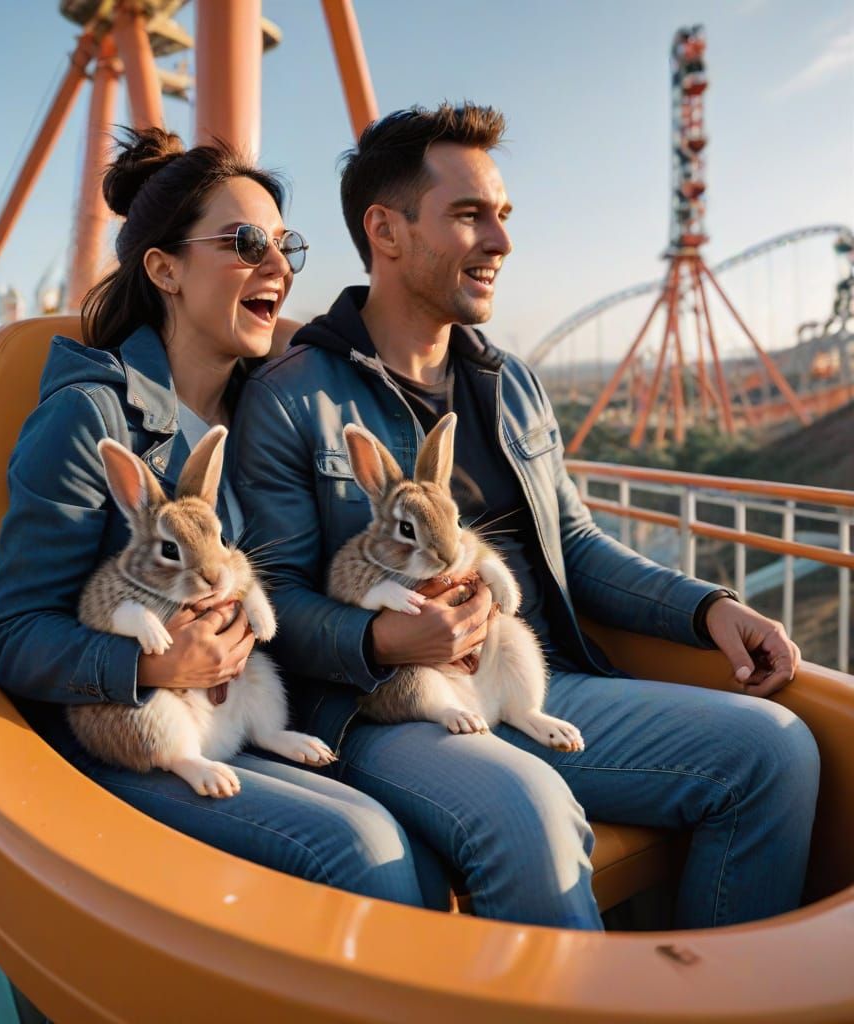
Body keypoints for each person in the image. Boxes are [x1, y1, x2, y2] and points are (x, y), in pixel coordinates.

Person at [230, 104, 820, 930]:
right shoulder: (292, 398)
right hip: (389, 705)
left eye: (502, 216)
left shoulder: (511, 385)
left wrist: (707, 607)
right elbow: (274, 600)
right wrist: (386, 640)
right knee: (527, 815)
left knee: (777, 750)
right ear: (387, 231)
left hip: (532, 674)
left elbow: (575, 546)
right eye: (469, 215)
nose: (501, 242)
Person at [0, 128, 429, 907]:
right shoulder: (89, 420)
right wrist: (153, 665)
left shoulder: (273, 405)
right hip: (134, 731)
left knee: (433, 815)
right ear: (164, 269)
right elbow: (15, 636)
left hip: (259, 706)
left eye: (286, 244)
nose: (280, 266)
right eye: (247, 241)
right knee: (363, 849)